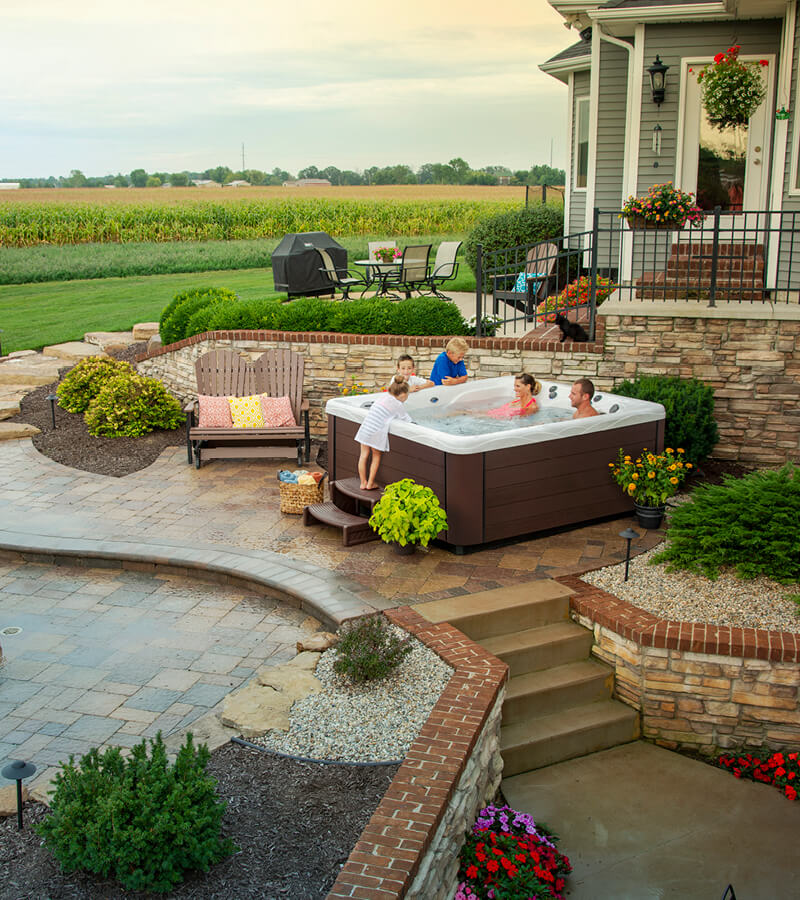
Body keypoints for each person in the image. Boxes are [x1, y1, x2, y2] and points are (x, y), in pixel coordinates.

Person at [354, 376, 411, 490]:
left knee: (363, 455)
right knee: (376, 456)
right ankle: (370, 483)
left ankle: (363, 482)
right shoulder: (397, 404)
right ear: (403, 395)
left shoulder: (384, 396)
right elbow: (406, 419)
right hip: (376, 431)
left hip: (366, 427)